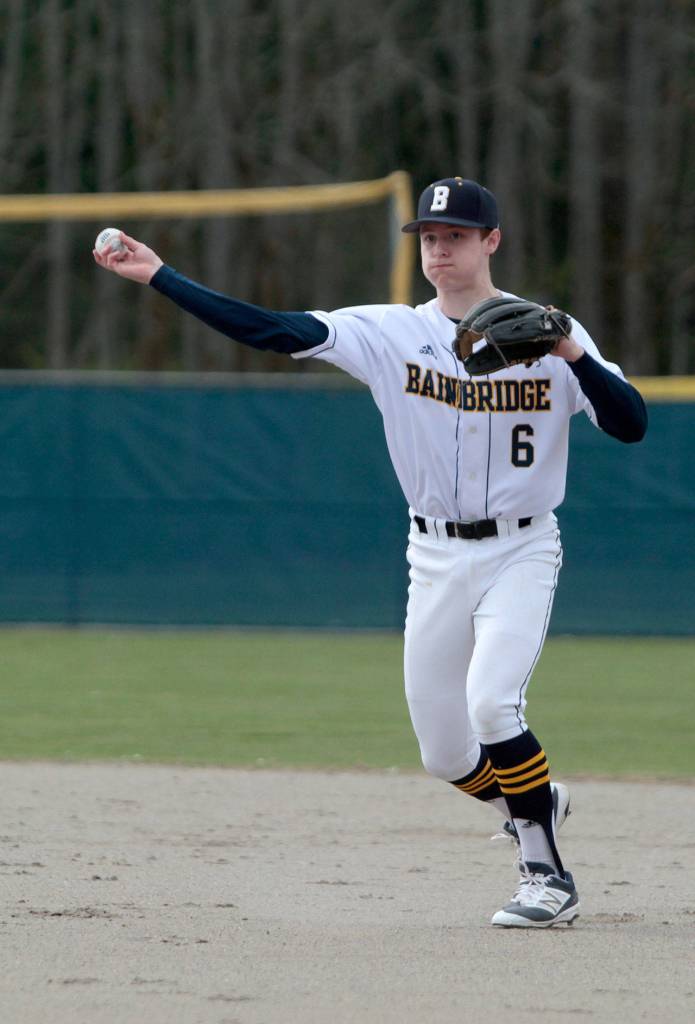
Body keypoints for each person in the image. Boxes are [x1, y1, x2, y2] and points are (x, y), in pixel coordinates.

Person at [94, 176, 647, 928]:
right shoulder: (389, 334)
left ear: (491, 241)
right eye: (429, 237)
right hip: (434, 555)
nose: (439, 249)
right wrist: (162, 275)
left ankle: (546, 874)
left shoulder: (549, 332)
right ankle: (536, 801)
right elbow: (272, 330)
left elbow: (630, 423)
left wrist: (569, 350)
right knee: (444, 755)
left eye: (455, 236)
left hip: (521, 549)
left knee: (493, 704)